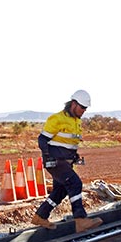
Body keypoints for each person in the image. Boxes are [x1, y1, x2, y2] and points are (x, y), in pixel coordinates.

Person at [30, 89, 103, 233]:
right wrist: (48, 156)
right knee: (75, 183)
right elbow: (42, 139)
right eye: (82, 107)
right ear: (74, 104)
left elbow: (68, 142)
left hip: (65, 161)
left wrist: (74, 155)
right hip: (55, 161)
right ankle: (80, 219)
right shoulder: (57, 119)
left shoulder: (76, 121)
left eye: (85, 108)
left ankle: (40, 216)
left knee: (61, 190)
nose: (83, 111)